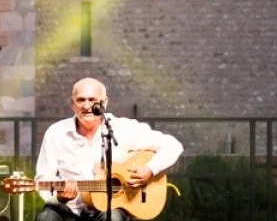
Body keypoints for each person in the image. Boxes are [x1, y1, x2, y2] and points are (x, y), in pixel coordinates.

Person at [33, 78, 182, 221]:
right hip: (68, 211)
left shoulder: (122, 128)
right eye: (80, 100)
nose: (86, 106)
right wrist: (60, 197)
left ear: (104, 103)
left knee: (114, 218)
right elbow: (43, 179)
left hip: (110, 210)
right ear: (73, 104)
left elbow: (173, 145)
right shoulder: (56, 133)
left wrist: (150, 169)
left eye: (92, 100)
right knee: (47, 218)